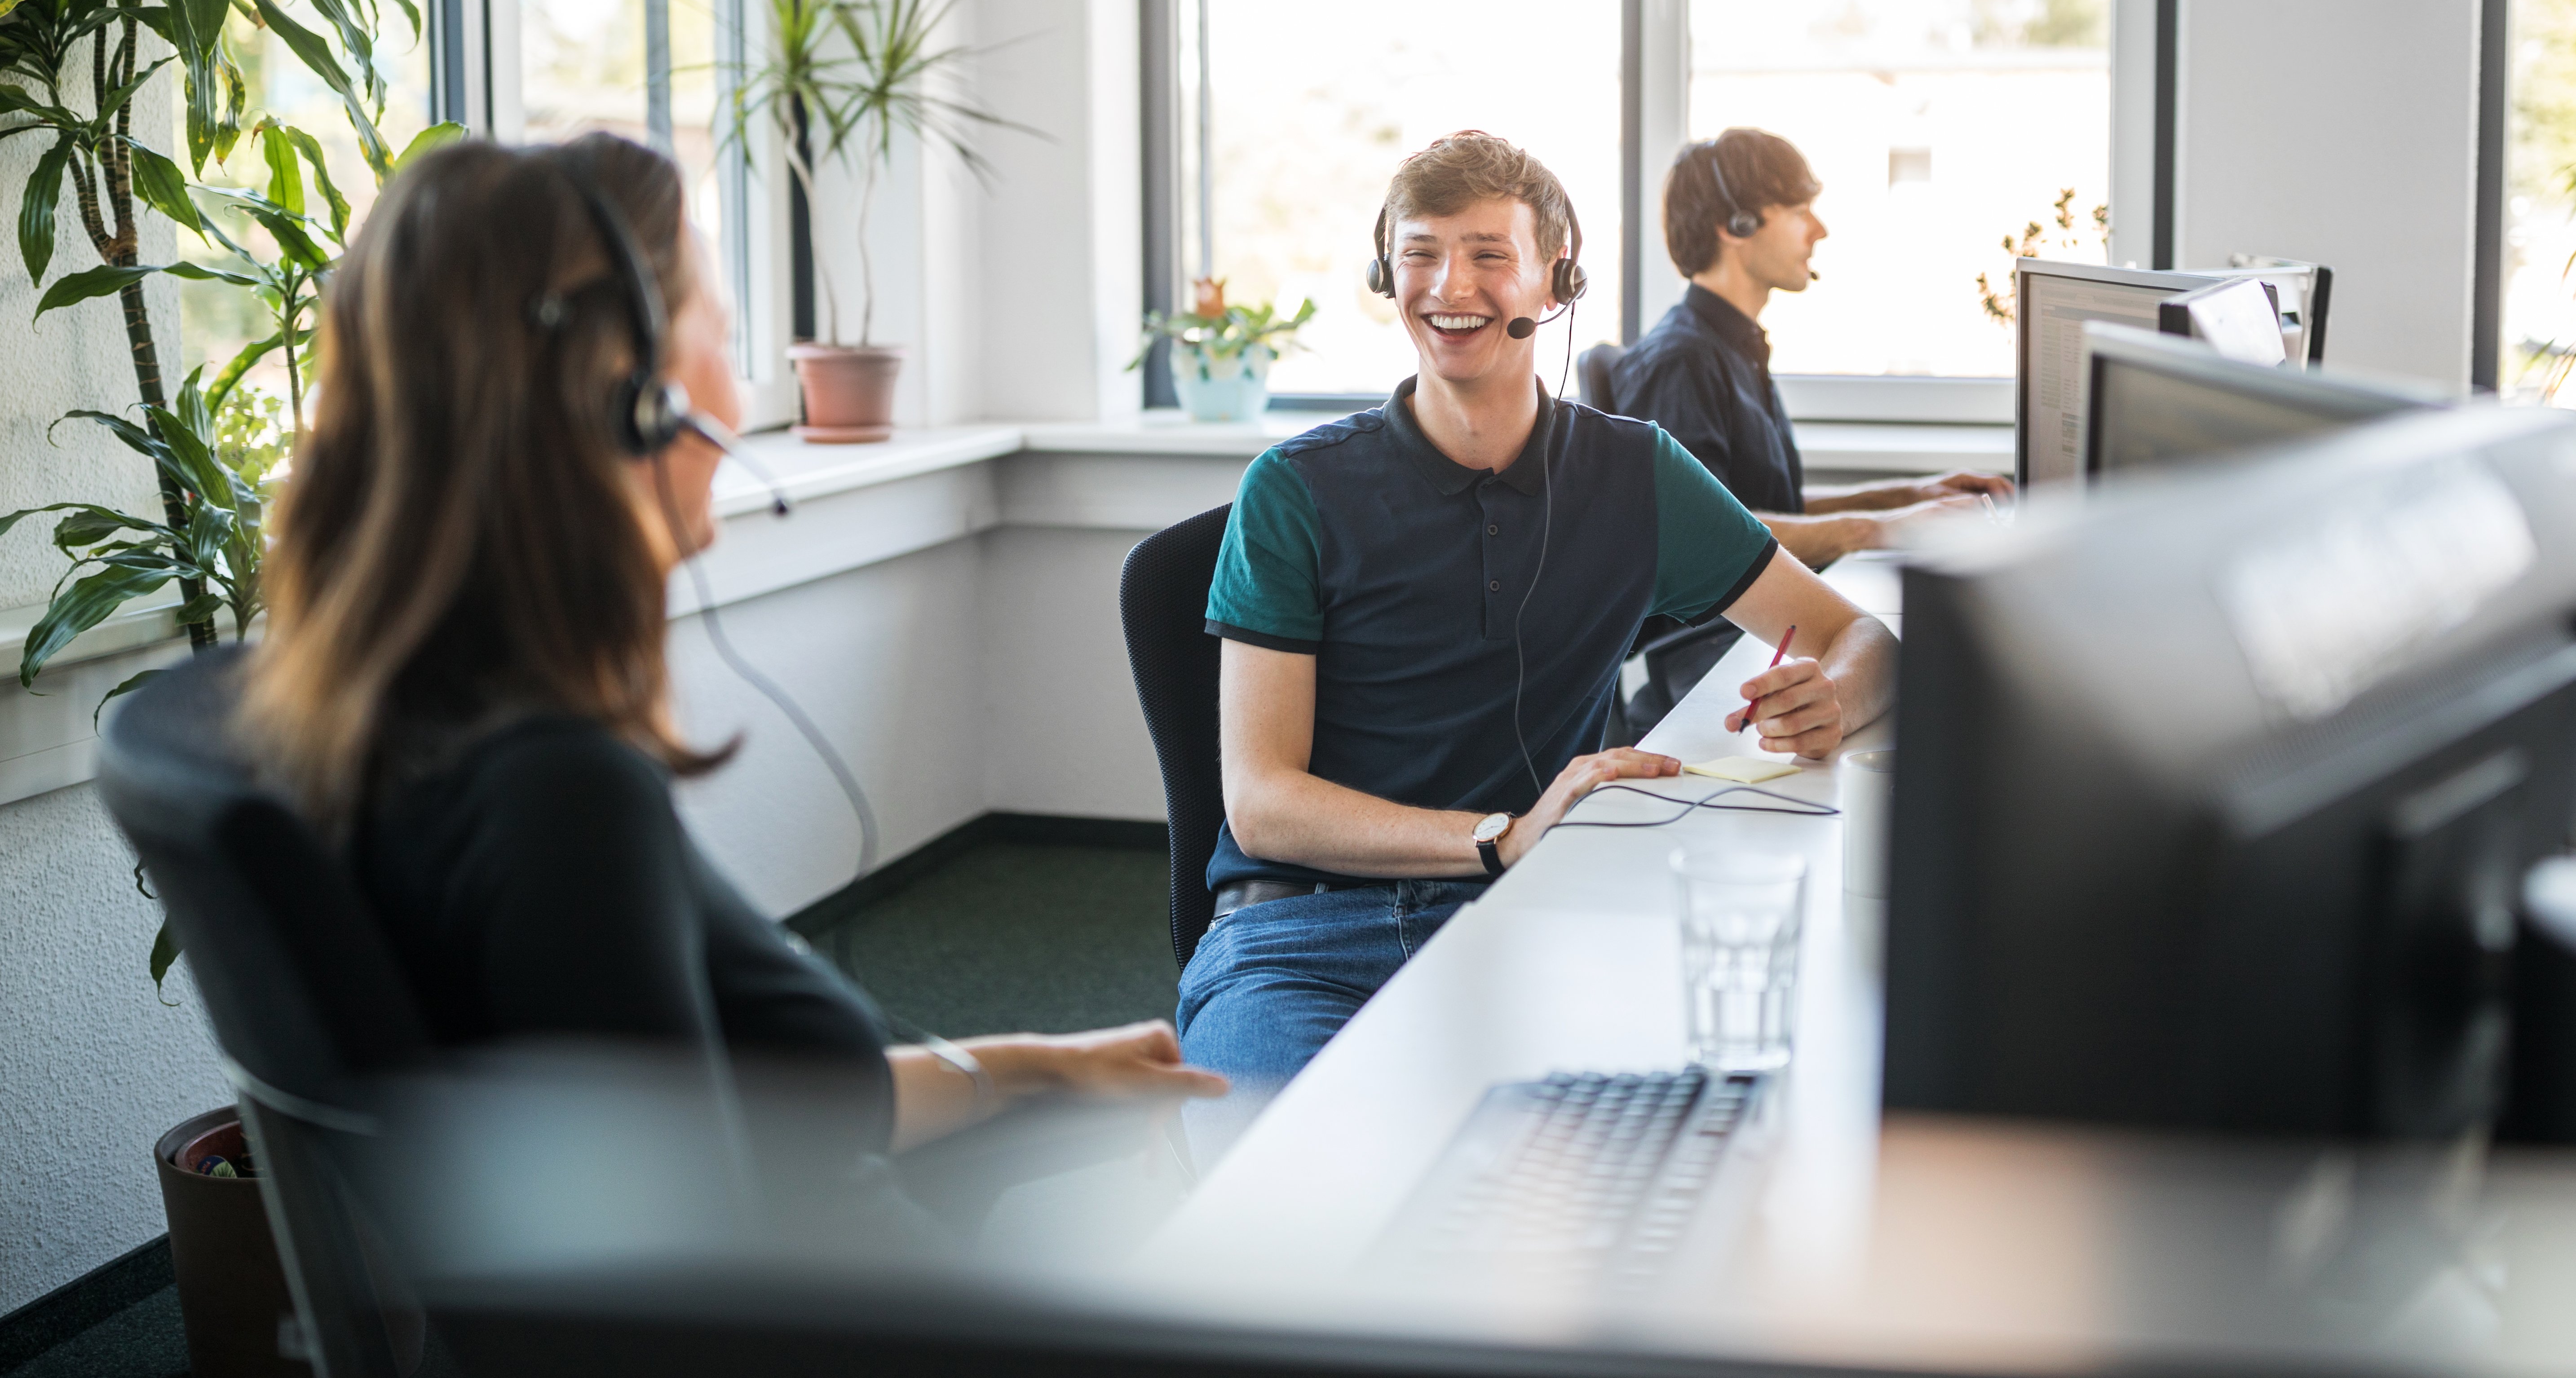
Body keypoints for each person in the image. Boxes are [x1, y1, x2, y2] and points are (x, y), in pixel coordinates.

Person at [240, 134, 1223, 1191]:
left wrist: (1029, 1071)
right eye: (725, 333)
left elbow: (734, 1095)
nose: (743, 391)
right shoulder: (555, 798)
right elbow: (676, 1264)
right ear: (634, 396)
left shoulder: (391, 716)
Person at [1176, 131, 1896, 1101]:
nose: (1448, 284)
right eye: (1422, 252)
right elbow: (1262, 803)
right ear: (1387, 273)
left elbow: (1863, 638)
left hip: (1535, 918)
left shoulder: (1634, 476)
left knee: (1688, 1136)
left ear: (1557, 284)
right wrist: (1497, 835)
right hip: (1304, 939)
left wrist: (1832, 699)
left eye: (1488, 254)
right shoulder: (1295, 492)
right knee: (1300, 1204)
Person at [1611, 129, 2011, 568]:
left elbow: (1761, 509)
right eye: (1801, 212)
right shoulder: (1682, 363)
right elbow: (1700, 536)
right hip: (1720, 636)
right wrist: (1877, 529)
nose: (1820, 230)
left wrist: (1910, 498)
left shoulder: (1733, 347)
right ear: (1736, 225)